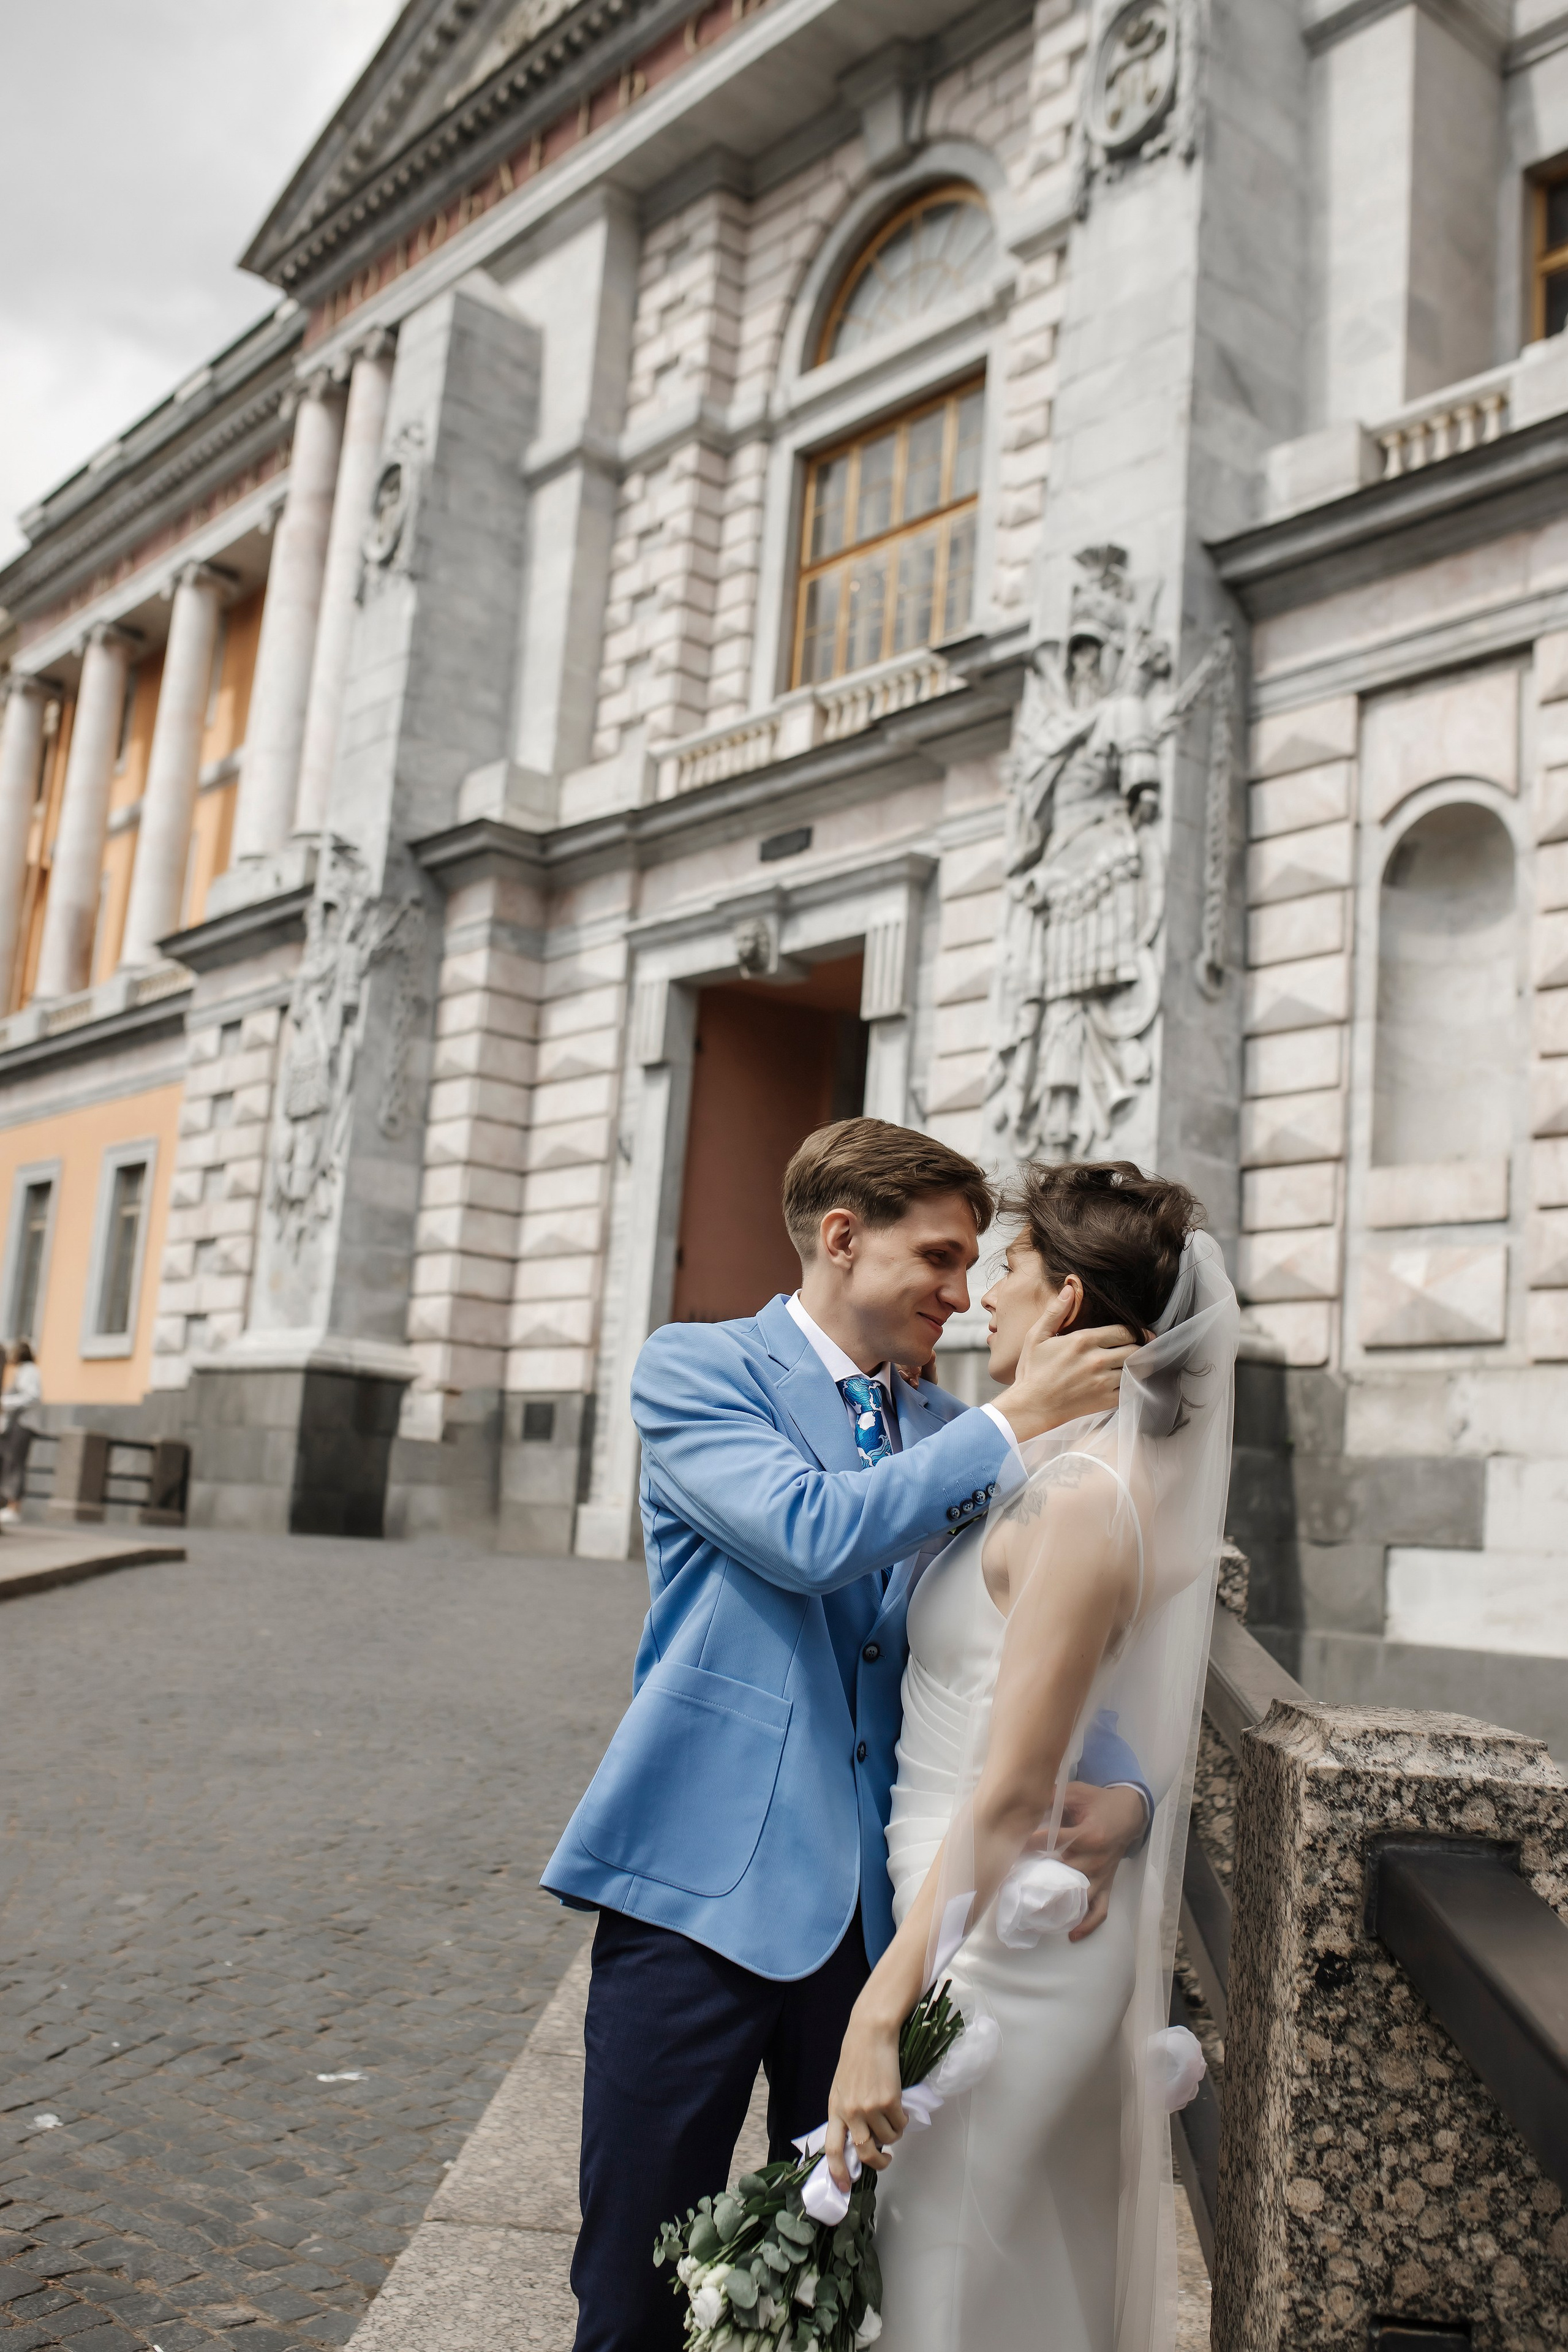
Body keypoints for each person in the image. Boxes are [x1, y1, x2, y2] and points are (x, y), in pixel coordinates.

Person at [542, 1120, 1155, 2352]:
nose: (961, 1294)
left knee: (832, 2285)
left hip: (884, 1928)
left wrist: (1125, 1796)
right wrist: (1009, 1424)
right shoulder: (694, 1369)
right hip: (697, 1899)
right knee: (633, 2278)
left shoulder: (958, 1429)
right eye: (936, 1257)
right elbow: (808, 1533)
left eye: (976, 1261)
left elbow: (1040, 1644)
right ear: (838, 1238)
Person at [825, 1160, 1239, 2351]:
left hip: (994, 1944)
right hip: (961, 1901)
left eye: (1004, 1266)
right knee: (978, 2275)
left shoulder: (1081, 1509)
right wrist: (1131, 1795)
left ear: (1061, 1302)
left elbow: (1011, 1788)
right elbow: (1093, 1718)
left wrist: (880, 2008)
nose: (980, 1298)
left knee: (935, 2285)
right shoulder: (1044, 1474)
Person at [0, 1340, 40, 1526]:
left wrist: (5, 1403)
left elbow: (31, 1397)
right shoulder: (22, 1371)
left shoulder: (29, 1371)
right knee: (9, 1463)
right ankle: (10, 1505)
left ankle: (14, 1507)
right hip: (15, 1423)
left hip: (22, 1424)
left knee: (15, 1463)